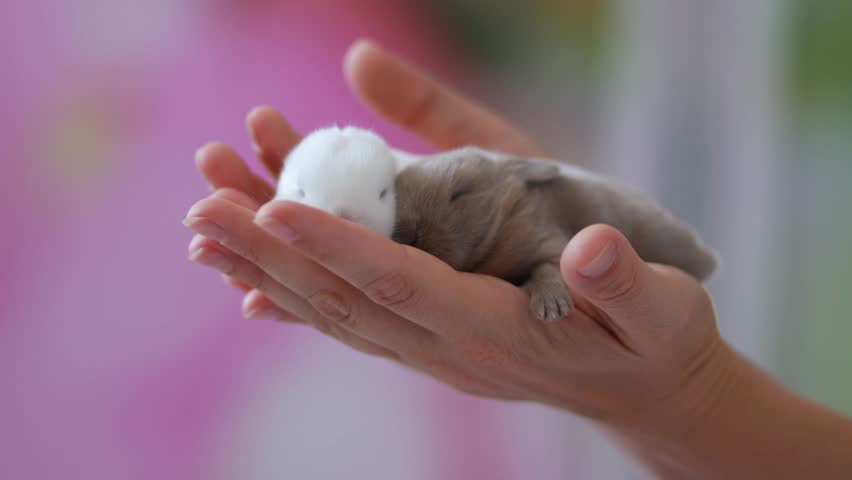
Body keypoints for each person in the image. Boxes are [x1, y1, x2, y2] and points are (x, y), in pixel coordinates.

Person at [183, 39, 852, 478]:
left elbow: (529, 214)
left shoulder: (458, 198)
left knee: (642, 235)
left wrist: (687, 393)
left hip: (544, 202)